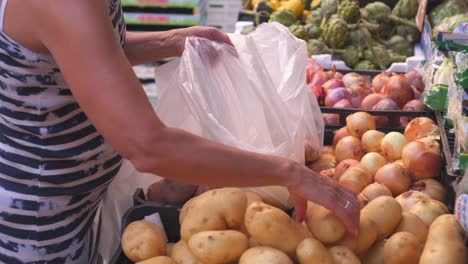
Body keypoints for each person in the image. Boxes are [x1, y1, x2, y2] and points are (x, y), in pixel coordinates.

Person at [0, 0, 359, 263]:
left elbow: (83, 51)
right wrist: (289, 173)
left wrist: (171, 41)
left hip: (69, 204)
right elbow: (148, 146)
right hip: (36, 226)